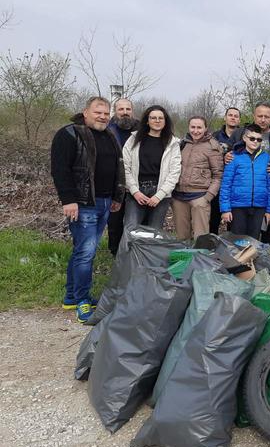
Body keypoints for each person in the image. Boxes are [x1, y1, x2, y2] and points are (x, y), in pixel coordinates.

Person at [51, 97, 124, 322]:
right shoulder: (70, 134)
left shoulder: (110, 136)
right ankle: (83, 301)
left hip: (104, 201)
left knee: (81, 249)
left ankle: (71, 296)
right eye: (97, 112)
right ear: (85, 112)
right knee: (86, 251)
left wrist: (116, 196)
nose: (102, 116)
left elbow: (116, 167)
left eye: (105, 113)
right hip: (82, 203)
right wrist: (68, 200)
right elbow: (60, 169)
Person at [229, 102, 270, 242]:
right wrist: (226, 155)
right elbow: (228, 151)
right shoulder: (240, 133)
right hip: (242, 192)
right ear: (254, 116)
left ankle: (263, 255)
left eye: (266, 116)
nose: (263, 119)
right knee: (238, 234)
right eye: (260, 115)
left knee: (267, 227)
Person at [122, 105, 182, 231]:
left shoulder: (173, 143)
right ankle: (129, 252)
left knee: (154, 232)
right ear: (147, 121)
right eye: (153, 118)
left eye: (161, 118)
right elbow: (125, 167)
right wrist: (135, 191)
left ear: (165, 122)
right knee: (131, 230)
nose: (157, 120)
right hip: (136, 191)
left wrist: (159, 195)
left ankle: (150, 251)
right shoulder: (134, 140)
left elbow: (174, 172)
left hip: (160, 193)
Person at [171, 116, 224, 241]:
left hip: (199, 197)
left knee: (200, 238)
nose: (196, 131)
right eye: (193, 127)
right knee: (182, 237)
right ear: (189, 128)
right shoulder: (182, 144)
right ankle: (184, 259)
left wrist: (208, 197)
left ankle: (200, 260)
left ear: (205, 128)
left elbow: (218, 175)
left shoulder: (212, 147)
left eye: (199, 127)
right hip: (179, 197)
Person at [219, 124, 270, 239]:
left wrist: (269, 210)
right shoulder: (234, 157)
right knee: (237, 240)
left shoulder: (265, 158)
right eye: (252, 138)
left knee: (253, 239)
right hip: (238, 206)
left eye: (259, 139)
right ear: (245, 138)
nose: (255, 142)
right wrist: (225, 209)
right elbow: (226, 184)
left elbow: (269, 186)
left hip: (259, 207)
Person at [106, 97, 138, 255]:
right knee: (115, 220)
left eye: (128, 109)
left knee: (136, 221)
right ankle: (115, 251)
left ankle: (134, 251)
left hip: (138, 184)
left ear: (132, 111)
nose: (125, 113)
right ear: (115, 111)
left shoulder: (142, 129)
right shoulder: (106, 129)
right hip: (114, 183)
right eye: (121, 109)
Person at [209, 106, 241, 234]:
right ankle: (211, 248)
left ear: (239, 120)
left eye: (236, 116)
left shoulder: (244, 136)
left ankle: (231, 248)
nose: (233, 118)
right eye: (230, 115)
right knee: (214, 219)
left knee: (233, 221)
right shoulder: (214, 136)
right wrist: (223, 157)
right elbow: (208, 157)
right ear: (225, 117)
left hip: (236, 184)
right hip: (217, 182)